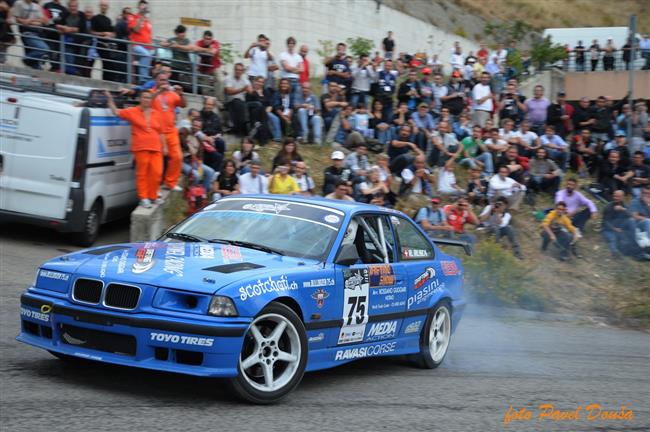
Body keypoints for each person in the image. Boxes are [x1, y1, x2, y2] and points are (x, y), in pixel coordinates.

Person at [105, 90, 163, 208]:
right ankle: (144, 198)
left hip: (156, 147)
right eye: (145, 97)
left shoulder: (156, 113)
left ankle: (153, 196)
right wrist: (110, 100)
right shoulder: (132, 111)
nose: (147, 99)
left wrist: (164, 146)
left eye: (149, 98)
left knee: (157, 172)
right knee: (142, 173)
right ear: (140, 99)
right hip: (141, 147)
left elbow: (161, 132)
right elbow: (116, 112)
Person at [151, 74, 186, 192]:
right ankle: (154, 187)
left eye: (165, 80)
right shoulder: (151, 92)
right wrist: (158, 91)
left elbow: (183, 104)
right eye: (161, 80)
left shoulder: (172, 94)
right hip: (156, 132)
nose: (163, 82)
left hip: (171, 131)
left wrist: (181, 93)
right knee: (156, 162)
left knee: (178, 157)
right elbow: (146, 102)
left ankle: (170, 182)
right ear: (156, 81)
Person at [179, 119, 215, 195]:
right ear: (191, 124)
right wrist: (188, 147)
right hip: (182, 161)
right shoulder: (185, 131)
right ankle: (192, 194)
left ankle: (202, 194)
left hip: (193, 161)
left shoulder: (198, 138)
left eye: (198, 126)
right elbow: (181, 135)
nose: (196, 127)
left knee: (210, 172)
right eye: (195, 125)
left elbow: (200, 155)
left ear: (200, 128)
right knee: (196, 175)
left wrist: (200, 167)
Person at [11, 0, 50, 69]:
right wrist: (33, 21)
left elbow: (43, 21)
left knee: (35, 65)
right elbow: (18, 19)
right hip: (27, 33)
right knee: (44, 48)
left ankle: (30, 62)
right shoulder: (19, 3)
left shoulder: (36, 6)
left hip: (37, 34)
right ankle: (26, 59)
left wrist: (30, 21)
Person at [602, 190, 638, 258]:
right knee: (613, 238)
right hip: (608, 229)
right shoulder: (608, 207)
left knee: (631, 221)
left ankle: (634, 241)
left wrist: (623, 209)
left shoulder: (623, 206)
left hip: (619, 225)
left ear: (622, 197)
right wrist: (614, 229)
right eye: (614, 196)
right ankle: (615, 252)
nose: (615, 198)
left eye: (618, 196)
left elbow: (631, 216)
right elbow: (605, 222)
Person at [127, 0, 153, 84]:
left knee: (151, 56)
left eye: (146, 6)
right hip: (135, 45)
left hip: (147, 46)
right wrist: (141, 17)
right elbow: (136, 29)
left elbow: (148, 35)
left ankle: (146, 79)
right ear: (138, 7)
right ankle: (143, 79)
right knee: (146, 54)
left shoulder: (148, 21)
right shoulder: (133, 17)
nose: (144, 8)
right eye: (142, 6)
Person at [224, 63, 251, 135]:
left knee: (257, 105)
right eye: (237, 70)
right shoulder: (228, 78)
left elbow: (250, 91)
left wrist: (250, 89)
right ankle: (242, 128)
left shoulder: (245, 79)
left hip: (242, 102)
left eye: (240, 70)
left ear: (242, 71)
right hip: (231, 101)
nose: (238, 71)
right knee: (238, 102)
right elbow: (229, 91)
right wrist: (242, 89)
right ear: (234, 70)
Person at [196, 30, 222, 101]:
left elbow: (213, 52)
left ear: (212, 39)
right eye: (206, 39)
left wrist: (202, 50)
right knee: (205, 89)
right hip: (204, 68)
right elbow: (196, 49)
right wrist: (208, 49)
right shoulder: (199, 42)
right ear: (203, 38)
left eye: (209, 39)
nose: (207, 41)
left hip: (215, 66)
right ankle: (206, 102)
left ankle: (218, 99)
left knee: (220, 80)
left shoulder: (215, 43)